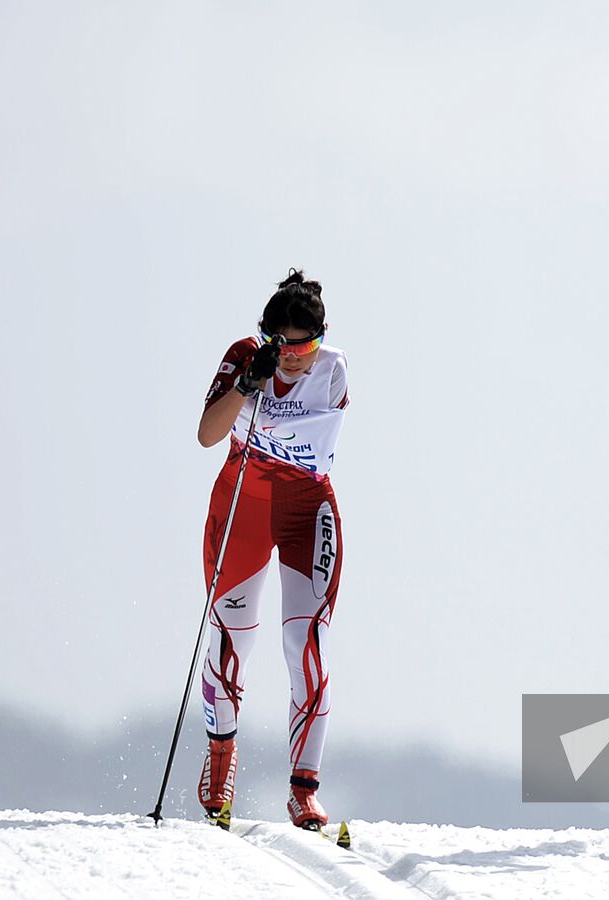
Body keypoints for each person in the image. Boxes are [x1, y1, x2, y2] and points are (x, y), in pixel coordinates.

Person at [193, 269, 350, 831]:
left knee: (304, 644)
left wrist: (263, 406)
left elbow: (301, 435)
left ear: (320, 339)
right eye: (279, 344)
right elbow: (209, 435)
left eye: (302, 344)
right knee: (235, 638)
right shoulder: (245, 357)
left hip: (306, 506)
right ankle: (220, 765)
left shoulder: (333, 369)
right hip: (245, 500)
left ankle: (304, 789)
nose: (290, 357)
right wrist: (243, 386)